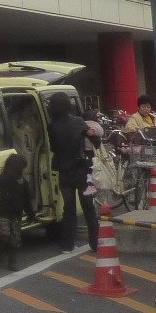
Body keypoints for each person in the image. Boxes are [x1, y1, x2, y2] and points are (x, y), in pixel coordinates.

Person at [48, 93, 99, 253]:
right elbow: (95, 141)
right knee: (88, 208)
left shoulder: (52, 125)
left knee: (68, 209)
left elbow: (52, 148)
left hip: (64, 172)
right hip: (82, 170)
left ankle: (67, 245)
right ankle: (95, 243)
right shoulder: (78, 122)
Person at [0, 152, 36, 270]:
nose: (24, 170)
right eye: (23, 168)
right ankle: (1, 250)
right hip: (4, 211)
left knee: (15, 238)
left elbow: (27, 201)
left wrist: (31, 214)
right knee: (4, 234)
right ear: (17, 167)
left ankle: (12, 261)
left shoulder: (24, 184)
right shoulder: (5, 179)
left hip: (16, 213)